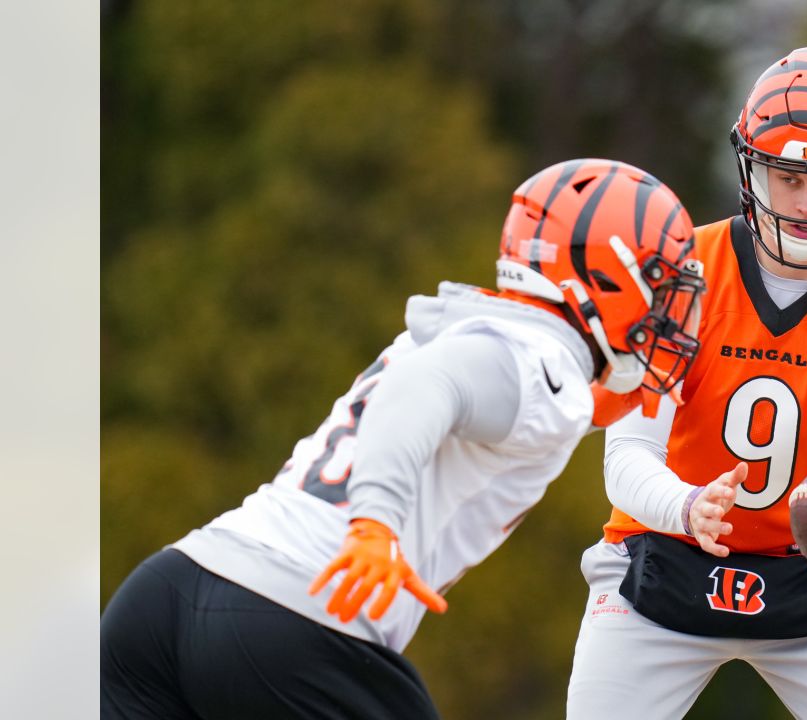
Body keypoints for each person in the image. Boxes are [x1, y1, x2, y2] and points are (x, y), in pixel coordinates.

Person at [100, 158, 706, 720]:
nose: (671, 314)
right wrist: (376, 523)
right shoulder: (537, 362)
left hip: (168, 595)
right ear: (607, 278)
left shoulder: (491, 335)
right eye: (661, 286)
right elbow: (427, 384)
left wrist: (618, 393)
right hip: (296, 613)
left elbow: (495, 400)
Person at [565, 47, 807, 719]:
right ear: (751, 170)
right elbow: (626, 458)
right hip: (660, 563)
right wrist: (686, 507)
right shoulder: (681, 276)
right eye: (787, 177)